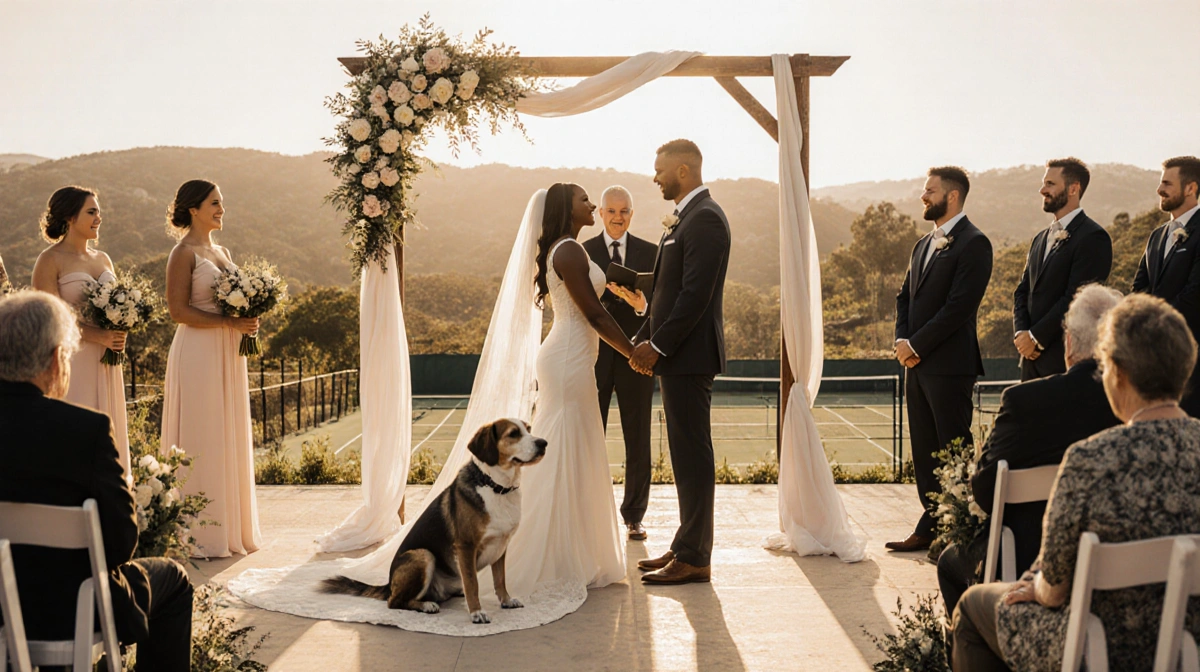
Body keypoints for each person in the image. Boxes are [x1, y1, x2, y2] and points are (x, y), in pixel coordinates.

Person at [950, 293, 1200, 672]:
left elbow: (1053, 589)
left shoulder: (1090, 460)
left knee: (972, 606)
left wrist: (1034, 587)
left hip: (1097, 642)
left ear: (1118, 374)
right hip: (1188, 639)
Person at [0, 290, 194, 671]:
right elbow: (121, 541)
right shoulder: (85, 429)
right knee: (173, 579)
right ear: (56, 359)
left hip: (1, 611)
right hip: (74, 609)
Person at [937, 284, 1121, 615]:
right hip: (1114, 561)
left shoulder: (1023, 401)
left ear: (1067, 343)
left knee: (949, 562)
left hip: (1021, 559)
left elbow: (986, 489)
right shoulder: (1129, 406)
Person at [500, 182, 641, 596]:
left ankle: (568, 551)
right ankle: (539, 555)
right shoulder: (570, 250)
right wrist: (633, 352)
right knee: (558, 452)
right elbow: (594, 314)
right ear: (567, 208)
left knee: (573, 450)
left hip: (574, 358)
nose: (593, 205)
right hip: (567, 360)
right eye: (584, 200)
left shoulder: (567, 249)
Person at [625, 139, 730, 585]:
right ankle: (683, 545)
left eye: (660, 170)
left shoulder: (705, 219)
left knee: (692, 454)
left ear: (684, 170)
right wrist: (642, 336)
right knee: (685, 455)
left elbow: (694, 296)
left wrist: (659, 346)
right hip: (676, 355)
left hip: (689, 356)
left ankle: (696, 557)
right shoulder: (683, 219)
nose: (655, 178)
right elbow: (666, 291)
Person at [889, 166, 993, 553]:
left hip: (950, 366)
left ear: (952, 196)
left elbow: (959, 307)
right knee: (924, 449)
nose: (923, 196)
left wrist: (916, 345)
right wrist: (902, 340)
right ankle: (931, 522)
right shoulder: (922, 244)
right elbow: (904, 297)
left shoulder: (974, 243)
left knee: (953, 449)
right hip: (914, 364)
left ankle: (961, 530)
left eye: (929, 190)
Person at [160, 179, 262, 558]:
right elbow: (177, 311)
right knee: (202, 433)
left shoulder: (223, 251)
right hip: (199, 352)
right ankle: (198, 532)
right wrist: (228, 324)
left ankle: (229, 528)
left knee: (226, 432)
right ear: (193, 209)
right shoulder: (181, 253)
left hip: (228, 352)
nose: (221, 209)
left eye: (222, 202)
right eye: (214, 203)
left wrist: (247, 317)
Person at [29, 185, 132, 481]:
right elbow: (51, 318)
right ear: (70, 217)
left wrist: (122, 325)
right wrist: (97, 336)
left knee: (109, 430)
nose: (99, 217)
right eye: (91, 211)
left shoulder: (104, 260)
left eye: (98, 211)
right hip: (74, 361)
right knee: (77, 431)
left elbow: (116, 305)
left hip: (108, 357)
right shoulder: (50, 260)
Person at [582, 185, 657, 541]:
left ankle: (634, 516)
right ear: (600, 212)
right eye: (611, 210)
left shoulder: (651, 252)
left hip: (636, 358)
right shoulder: (582, 252)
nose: (617, 217)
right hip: (592, 358)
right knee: (588, 434)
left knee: (638, 436)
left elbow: (660, 310)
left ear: (632, 213)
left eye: (624, 211)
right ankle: (587, 511)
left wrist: (640, 305)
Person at [1012, 158, 1112, 381]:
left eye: (1050, 184)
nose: (1042, 190)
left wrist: (1037, 338)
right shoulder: (1039, 239)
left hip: (1064, 362)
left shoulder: (1093, 237)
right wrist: (1021, 334)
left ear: (1073, 188)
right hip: (1029, 361)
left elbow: (1076, 300)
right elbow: (1022, 291)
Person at [1132, 156, 1200, 416]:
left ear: (1190, 188)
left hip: (1191, 356)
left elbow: (1194, 295)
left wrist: (1153, 327)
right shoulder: (1157, 236)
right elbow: (1139, 288)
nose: (1160, 190)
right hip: (1153, 357)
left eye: (1167, 184)